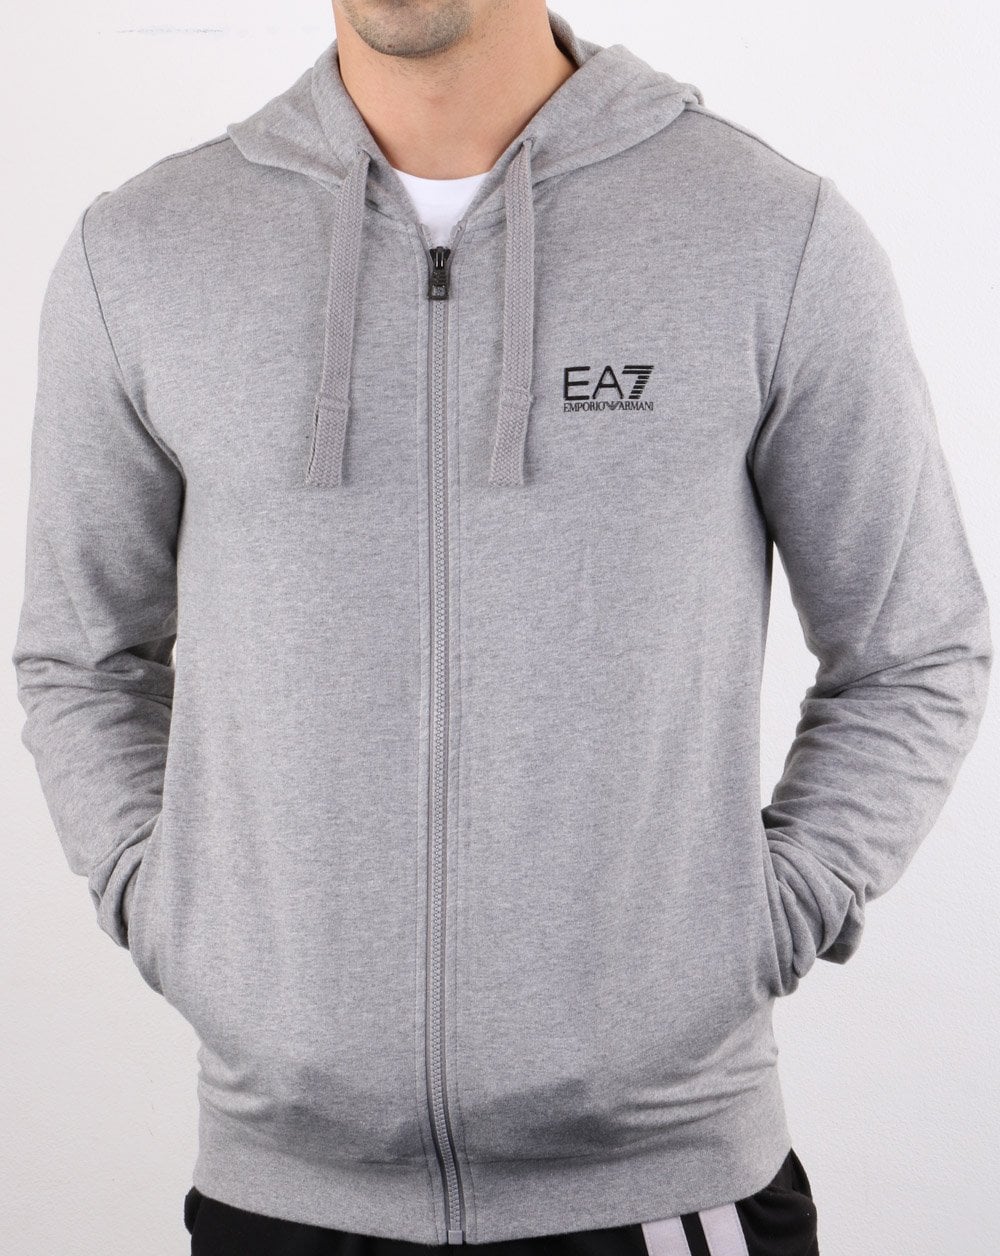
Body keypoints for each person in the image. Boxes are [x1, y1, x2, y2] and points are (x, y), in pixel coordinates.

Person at [11, 2, 991, 1254]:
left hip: (659, 1177)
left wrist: (762, 916)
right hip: (281, 1190)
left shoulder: (766, 232)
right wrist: (177, 914)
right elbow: (82, 655)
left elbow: (913, 645)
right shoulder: (146, 251)